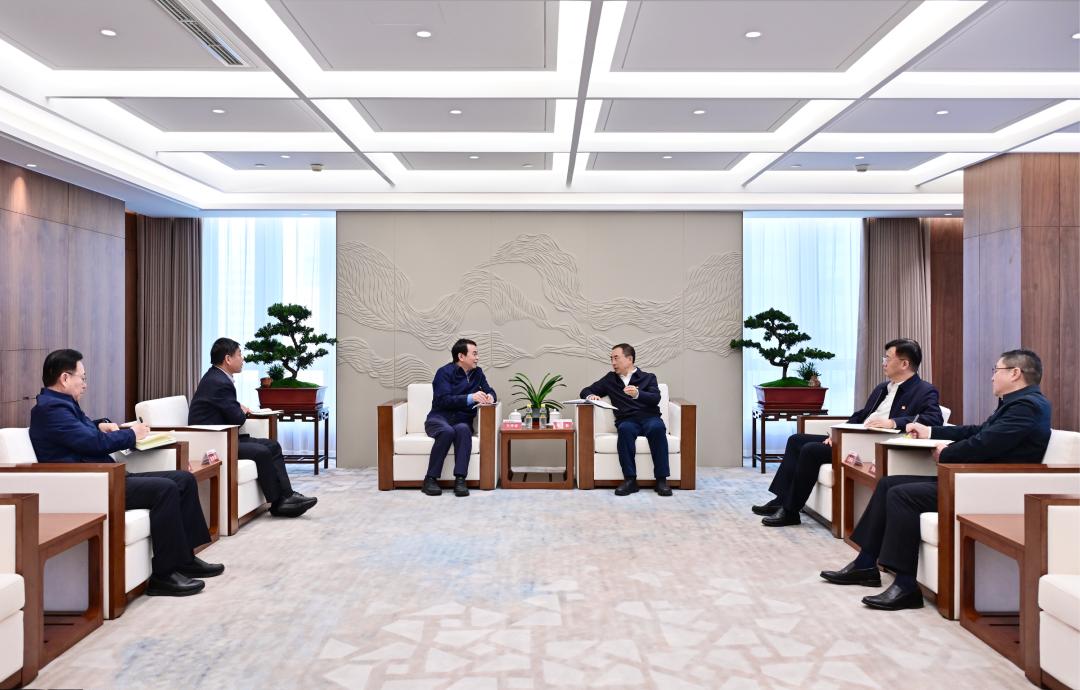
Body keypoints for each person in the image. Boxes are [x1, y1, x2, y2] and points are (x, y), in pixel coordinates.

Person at [820, 349, 1051, 611]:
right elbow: (978, 432)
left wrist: (947, 452)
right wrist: (930, 431)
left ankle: (906, 586)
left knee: (902, 495)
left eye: (995, 371)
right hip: (975, 479)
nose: (992, 377)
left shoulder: (1027, 406)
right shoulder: (1017, 403)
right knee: (889, 483)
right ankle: (865, 564)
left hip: (990, 487)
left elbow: (986, 444)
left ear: (1015, 373)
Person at [29, 349, 223, 597]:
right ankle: (163, 576)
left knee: (183, 479)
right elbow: (93, 444)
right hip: (93, 484)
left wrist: (99, 424)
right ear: (65, 378)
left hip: (106, 476)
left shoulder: (61, 405)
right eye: (82, 378)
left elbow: (81, 432)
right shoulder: (51, 410)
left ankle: (185, 559)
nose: (85, 384)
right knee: (165, 489)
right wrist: (132, 434)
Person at [754, 338, 943, 527]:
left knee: (811, 450)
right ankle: (781, 499)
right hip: (853, 437)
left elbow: (934, 420)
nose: (884, 363)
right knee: (796, 440)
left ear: (904, 364)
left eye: (887, 358)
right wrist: (836, 434)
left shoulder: (924, 390)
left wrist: (893, 422)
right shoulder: (883, 388)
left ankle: (790, 511)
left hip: (872, 445)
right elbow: (861, 415)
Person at [188, 338, 317, 518]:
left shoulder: (216, 377)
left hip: (225, 436)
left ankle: (286, 496)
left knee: (273, 445)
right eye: (239, 355)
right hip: (215, 442)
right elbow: (237, 418)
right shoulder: (219, 382)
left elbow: (226, 409)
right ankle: (279, 502)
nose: (243, 359)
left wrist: (236, 407)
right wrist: (242, 410)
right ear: (228, 359)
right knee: (261, 452)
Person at [580, 343, 672, 497]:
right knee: (624, 429)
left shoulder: (648, 377)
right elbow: (585, 390)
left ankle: (661, 480)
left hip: (649, 417)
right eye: (611, 359)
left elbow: (655, 398)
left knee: (657, 428)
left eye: (616, 358)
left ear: (629, 359)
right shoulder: (610, 379)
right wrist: (591, 396)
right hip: (627, 420)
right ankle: (630, 480)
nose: (613, 363)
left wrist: (637, 394)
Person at [423, 338, 497, 497]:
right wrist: (471, 398)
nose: (477, 357)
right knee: (447, 431)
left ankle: (460, 480)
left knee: (463, 430)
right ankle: (430, 479)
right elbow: (443, 400)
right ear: (461, 356)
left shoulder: (478, 373)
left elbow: (490, 390)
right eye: (474, 354)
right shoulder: (444, 372)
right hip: (439, 418)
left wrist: (490, 397)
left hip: (462, 420)